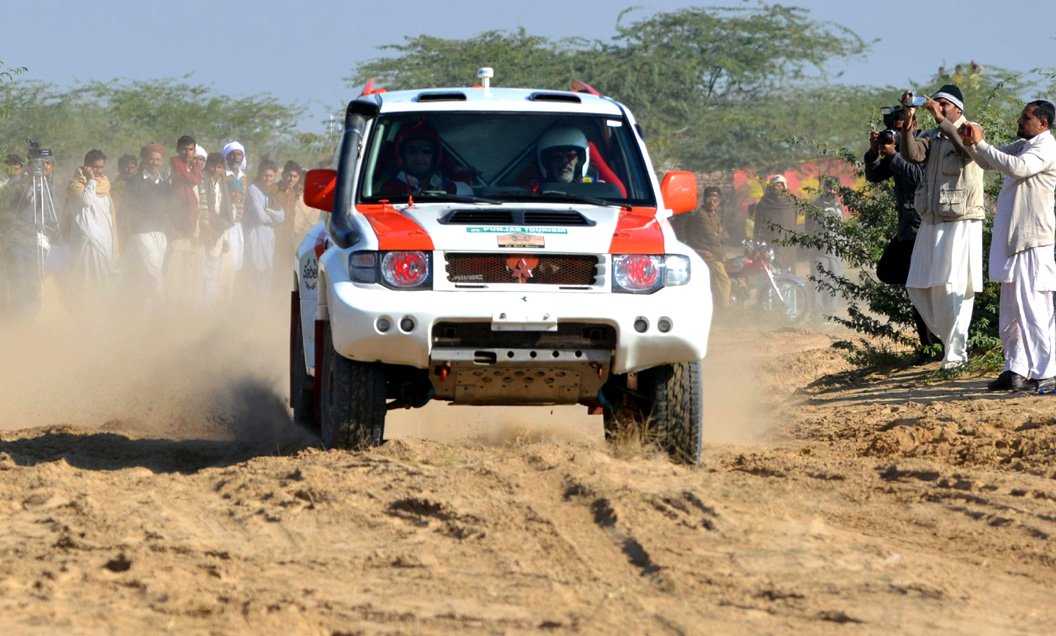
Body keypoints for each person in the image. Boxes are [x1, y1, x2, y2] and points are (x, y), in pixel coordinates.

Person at [960, 101, 1056, 392]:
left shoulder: (1046, 147)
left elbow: (1018, 169)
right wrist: (971, 142)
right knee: (1012, 311)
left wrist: (982, 144)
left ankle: (1047, 372)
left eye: (1026, 117)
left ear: (1042, 123)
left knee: (1035, 309)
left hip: (1032, 241)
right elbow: (991, 160)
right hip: (1014, 241)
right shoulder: (1024, 144)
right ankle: (1015, 370)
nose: (1020, 120)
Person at [900, 84, 985, 370]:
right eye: (935, 104)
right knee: (921, 285)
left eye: (943, 105)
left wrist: (941, 121)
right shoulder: (934, 135)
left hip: (961, 220)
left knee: (954, 287)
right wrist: (908, 125)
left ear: (957, 109)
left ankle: (956, 355)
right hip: (932, 220)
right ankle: (948, 343)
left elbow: (971, 152)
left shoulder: (970, 129)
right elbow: (911, 155)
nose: (937, 108)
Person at [865, 106, 939, 362]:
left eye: (900, 126)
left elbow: (919, 177)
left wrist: (895, 155)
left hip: (923, 228)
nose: (895, 132)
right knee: (890, 273)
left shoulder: (922, 145)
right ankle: (930, 344)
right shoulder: (894, 148)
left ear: (913, 123)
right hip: (907, 230)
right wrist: (875, 153)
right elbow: (874, 176)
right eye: (893, 128)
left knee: (919, 286)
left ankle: (932, 347)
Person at [62, 149, 116, 308]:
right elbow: (86, 200)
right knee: (86, 277)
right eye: (95, 167)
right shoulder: (75, 185)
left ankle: (101, 310)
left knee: (103, 279)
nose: (98, 171)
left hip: (104, 238)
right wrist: (91, 180)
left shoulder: (105, 185)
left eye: (101, 167)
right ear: (86, 166)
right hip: (87, 239)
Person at [123, 143, 171, 308]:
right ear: (144, 160)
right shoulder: (135, 182)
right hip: (142, 232)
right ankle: (163, 307)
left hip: (160, 233)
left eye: (158, 159)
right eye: (151, 159)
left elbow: (170, 208)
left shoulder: (165, 184)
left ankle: (147, 308)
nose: (155, 163)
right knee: (154, 269)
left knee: (154, 269)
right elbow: (126, 208)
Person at [672, 186, 731, 309]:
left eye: (715, 199)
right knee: (724, 281)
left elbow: (726, 236)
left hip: (717, 252)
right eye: (709, 198)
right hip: (707, 253)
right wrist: (718, 233)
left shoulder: (715, 215)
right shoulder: (701, 216)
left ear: (719, 201)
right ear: (704, 199)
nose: (712, 201)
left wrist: (718, 233)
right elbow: (713, 239)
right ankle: (725, 310)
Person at [381, 120, 471, 196]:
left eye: (426, 150)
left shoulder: (453, 190)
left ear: (435, 156)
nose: (419, 156)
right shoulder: (386, 188)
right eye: (412, 151)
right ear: (402, 156)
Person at [167, 135, 204, 305]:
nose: (187, 153)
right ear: (178, 149)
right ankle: (170, 308)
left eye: (190, 149)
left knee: (191, 271)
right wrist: (171, 225)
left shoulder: (196, 171)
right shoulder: (173, 169)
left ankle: (187, 309)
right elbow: (168, 198)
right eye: (184, 149)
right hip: (177, 225)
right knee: (174, 271)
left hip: (193, 225)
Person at [241, 159, 284, 301]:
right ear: (260, 174)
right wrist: (273, 217)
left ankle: (264, 303)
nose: (268, 179)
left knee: (267, 269)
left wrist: (270, 213)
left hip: (269, 234)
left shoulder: (273, 191)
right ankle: (255, 303)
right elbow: (259, 216)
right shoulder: (254, 189)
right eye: (265, 175)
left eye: (271, 176)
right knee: (256, 267)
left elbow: (282, 217)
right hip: (256, 233)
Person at [198, 153, 236, 303]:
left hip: (219, 229)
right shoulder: (203, 180)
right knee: (202, 267)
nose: (215, 169)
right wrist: (208, 218)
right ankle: (200, 303)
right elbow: (204, 207)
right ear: (207, 166)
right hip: (204, 228)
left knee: (214, 268)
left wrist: (223, 235)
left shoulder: (222, 184)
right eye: (212, 166)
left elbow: (224, 212)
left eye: (219, 167)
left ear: (222, 169)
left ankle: (210, 303)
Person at [805, 180, 845, 317]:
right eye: (830, 188)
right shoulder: (816, 205)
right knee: (819, 282)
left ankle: (831, 314)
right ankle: (817, 315)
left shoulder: (838, 206)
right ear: (825, 188)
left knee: (836, 282)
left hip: (836, 251)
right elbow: (809, 228)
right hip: (820, 251)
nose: (833, 191)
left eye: (835, 188)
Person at [754, 174, 797, 270]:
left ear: (784, 186)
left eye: (780, 185)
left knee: (788, 266)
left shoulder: (791, 202)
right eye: (775, 185)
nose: (778, 188)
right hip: (769, 241)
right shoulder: (764, 203)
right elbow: (758, 224)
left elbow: (793, 221)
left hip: (787, 241)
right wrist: (757, 241)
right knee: (772, 267)